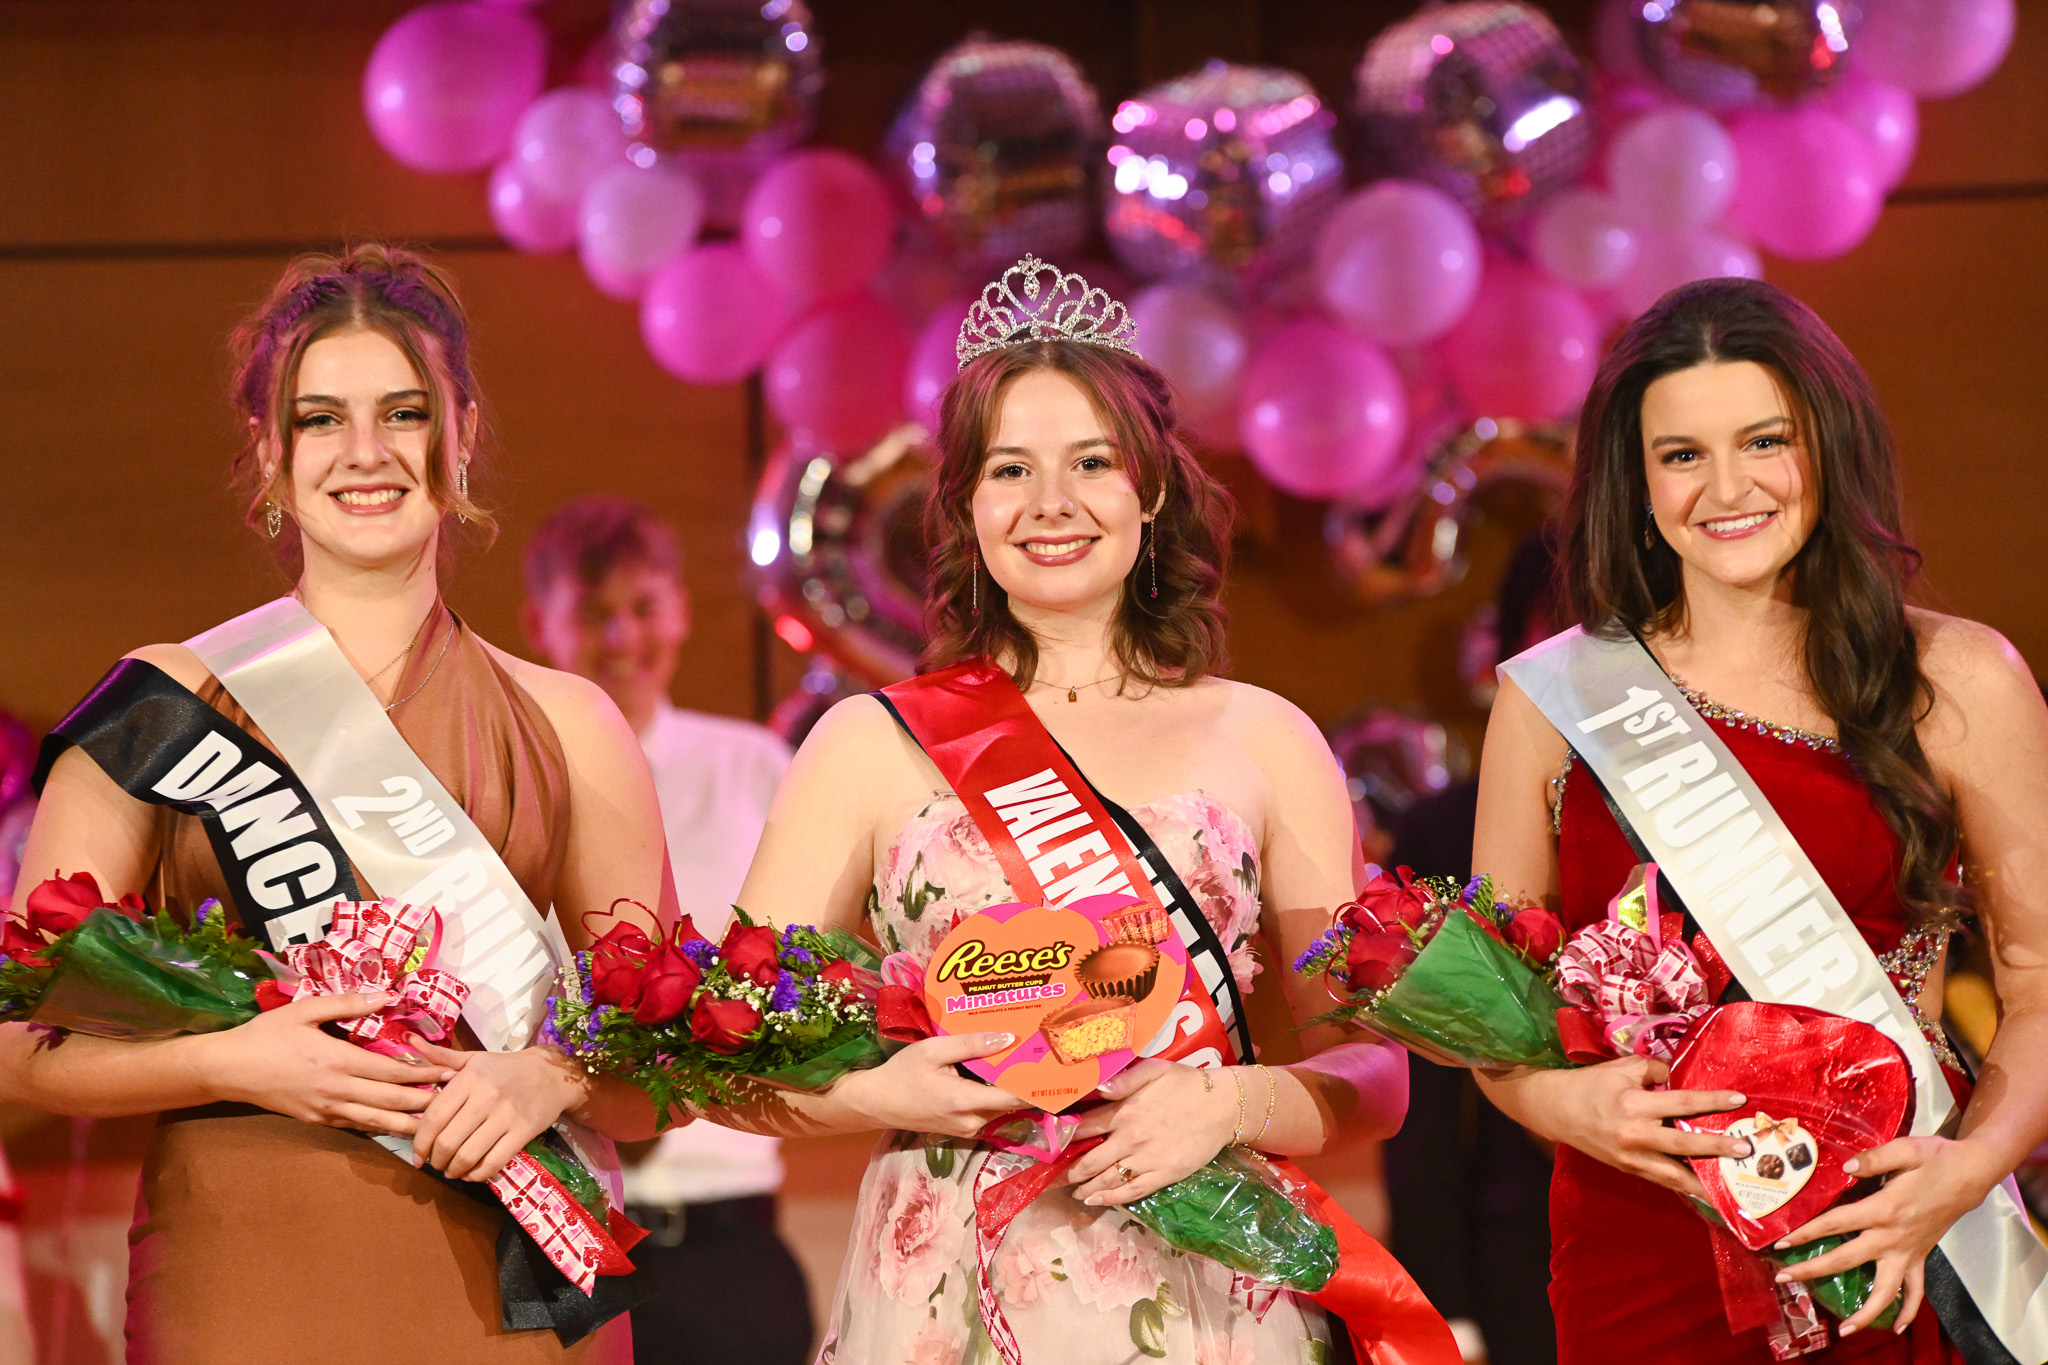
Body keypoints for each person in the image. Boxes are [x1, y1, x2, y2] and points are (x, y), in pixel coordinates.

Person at [701, 258, 1426, 1365]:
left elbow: (1372, 1077)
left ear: (1149, 489)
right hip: (950, 1280)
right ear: (964, 506)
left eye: (1090, 462)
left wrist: (1226, 1104)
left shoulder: (1264, 738)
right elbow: (723, 1055)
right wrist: (876, 1092)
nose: (1051, 504)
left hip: (1203, 1278)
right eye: (1009, 469)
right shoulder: (869, 743)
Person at [5, 245, 674, 1364]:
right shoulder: (163, 709)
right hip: (242, 1271)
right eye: (319, 419)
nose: (364, 454)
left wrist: (548, 1073)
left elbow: (664, 1073)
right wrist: (235, 1059)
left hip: (507, 1281)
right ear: (267, 452)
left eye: (403, 412)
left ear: (458, 432)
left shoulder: (571, 724)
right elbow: (20, 1043)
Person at [1471, 278, 2048, 1363]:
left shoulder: (1956, 678)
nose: (1724, 488)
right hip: (1636, 1242)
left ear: (1825, 446)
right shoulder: (1553, 697)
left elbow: (2038, 980)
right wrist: (1560, 1107)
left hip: (1883, 1222)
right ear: (1633, 482)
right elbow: (1491, 1011)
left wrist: (1964, 1173)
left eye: (1764, 440)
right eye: (1679, 454)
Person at [521, 496, 811, 1365]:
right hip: (560, 1224)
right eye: (594, 613)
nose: (623, 637)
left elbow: (816, 971)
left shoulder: (755, 767)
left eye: (644, 607)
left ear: (680, 609)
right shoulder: (514, 776)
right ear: (542, 623)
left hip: (728, 1238)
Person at [1381, 530, 1562, 1365]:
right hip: (1522, 1246)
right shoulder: (1451, 827)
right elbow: (1424, 1093)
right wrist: (1440, 1301)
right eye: (1561, 619)